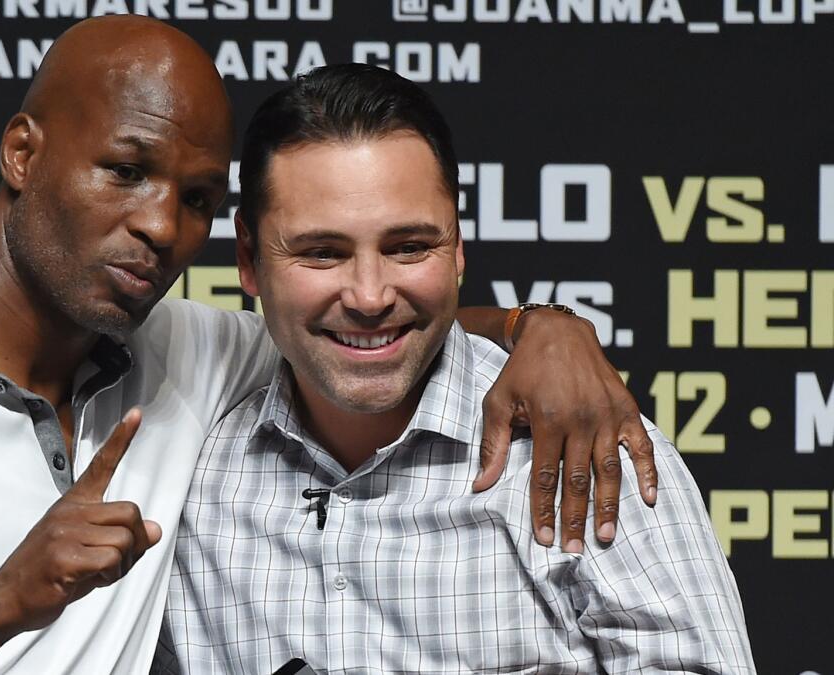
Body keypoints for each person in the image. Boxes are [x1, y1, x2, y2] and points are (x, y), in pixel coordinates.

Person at [0, 17, 657, 675]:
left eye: (198, 198)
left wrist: (546, 330)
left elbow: (358, 319)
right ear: (22, 151)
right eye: (125, 171)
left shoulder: (181, 351)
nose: (161, 225)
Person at [154, 63, 754, 674]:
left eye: (409, 247)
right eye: (322, 253)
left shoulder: (581, 446)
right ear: (249, 261)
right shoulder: (187, 476)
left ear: (458, 246)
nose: (369, 296)